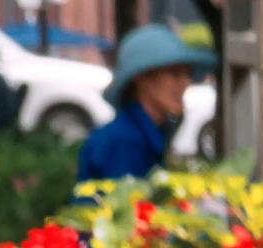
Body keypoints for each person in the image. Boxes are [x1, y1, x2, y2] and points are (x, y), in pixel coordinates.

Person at [72, 18, 190, 181]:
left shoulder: (149, 133)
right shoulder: (122, 142)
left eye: (187, 73)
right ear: (143, 79)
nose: (185, 83)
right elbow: (127, 204)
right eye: (175, 73)